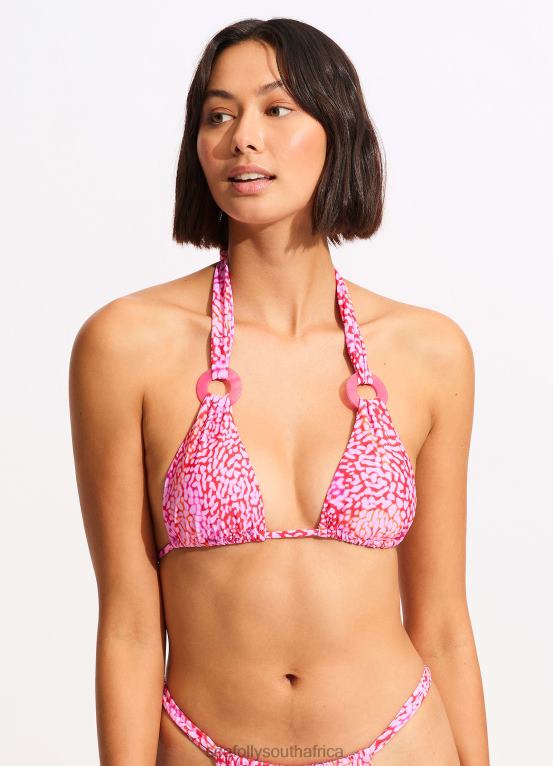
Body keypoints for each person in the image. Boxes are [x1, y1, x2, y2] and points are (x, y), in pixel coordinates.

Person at [69, 17, 489, 766]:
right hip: (202, 746)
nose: (243, 138)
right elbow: (129, 625)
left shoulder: (428, 352)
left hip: (403, 743)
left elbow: (444, 623)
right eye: (218, 115)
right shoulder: (126, 345)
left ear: (338, 131)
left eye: (276, 108)